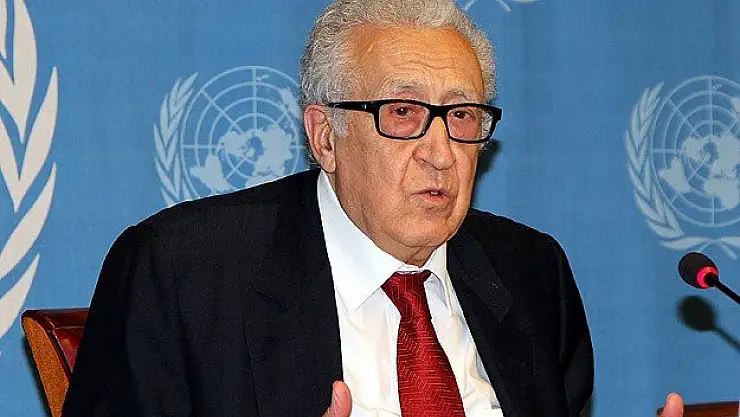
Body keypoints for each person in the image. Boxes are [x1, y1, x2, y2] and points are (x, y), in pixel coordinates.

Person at [62, 0, 684, 416]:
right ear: (325, 137)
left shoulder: (531, 273)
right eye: (403, 113)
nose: (440, 153)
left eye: (462, 116)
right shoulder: (183, 272)